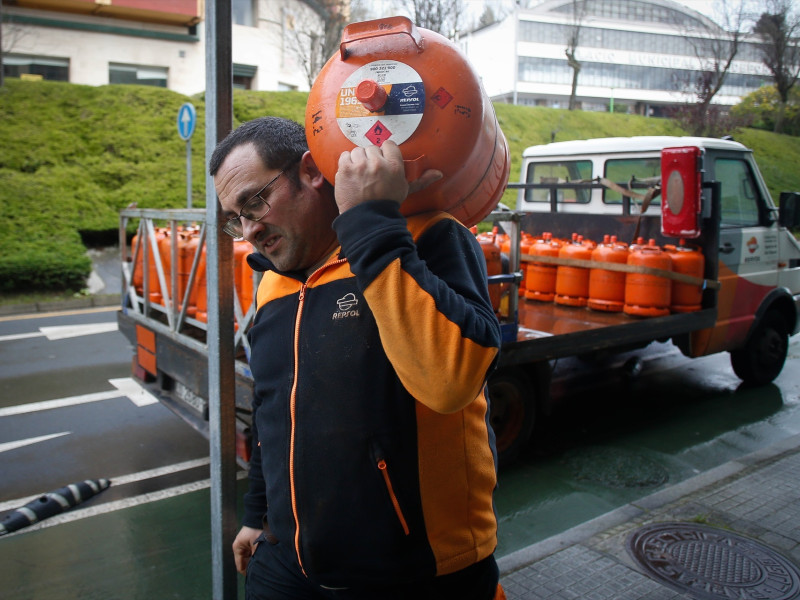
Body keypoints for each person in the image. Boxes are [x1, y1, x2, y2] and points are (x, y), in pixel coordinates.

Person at [210, 116, 504, 600]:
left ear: (310, 171)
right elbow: (271, 412)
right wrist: (257, 517)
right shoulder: (272, 284)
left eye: (255, 202)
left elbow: (452, 381)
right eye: (234, 218)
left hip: (416, 574)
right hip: (289, 563)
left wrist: (370, 225)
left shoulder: (424, 238)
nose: (248, 230)